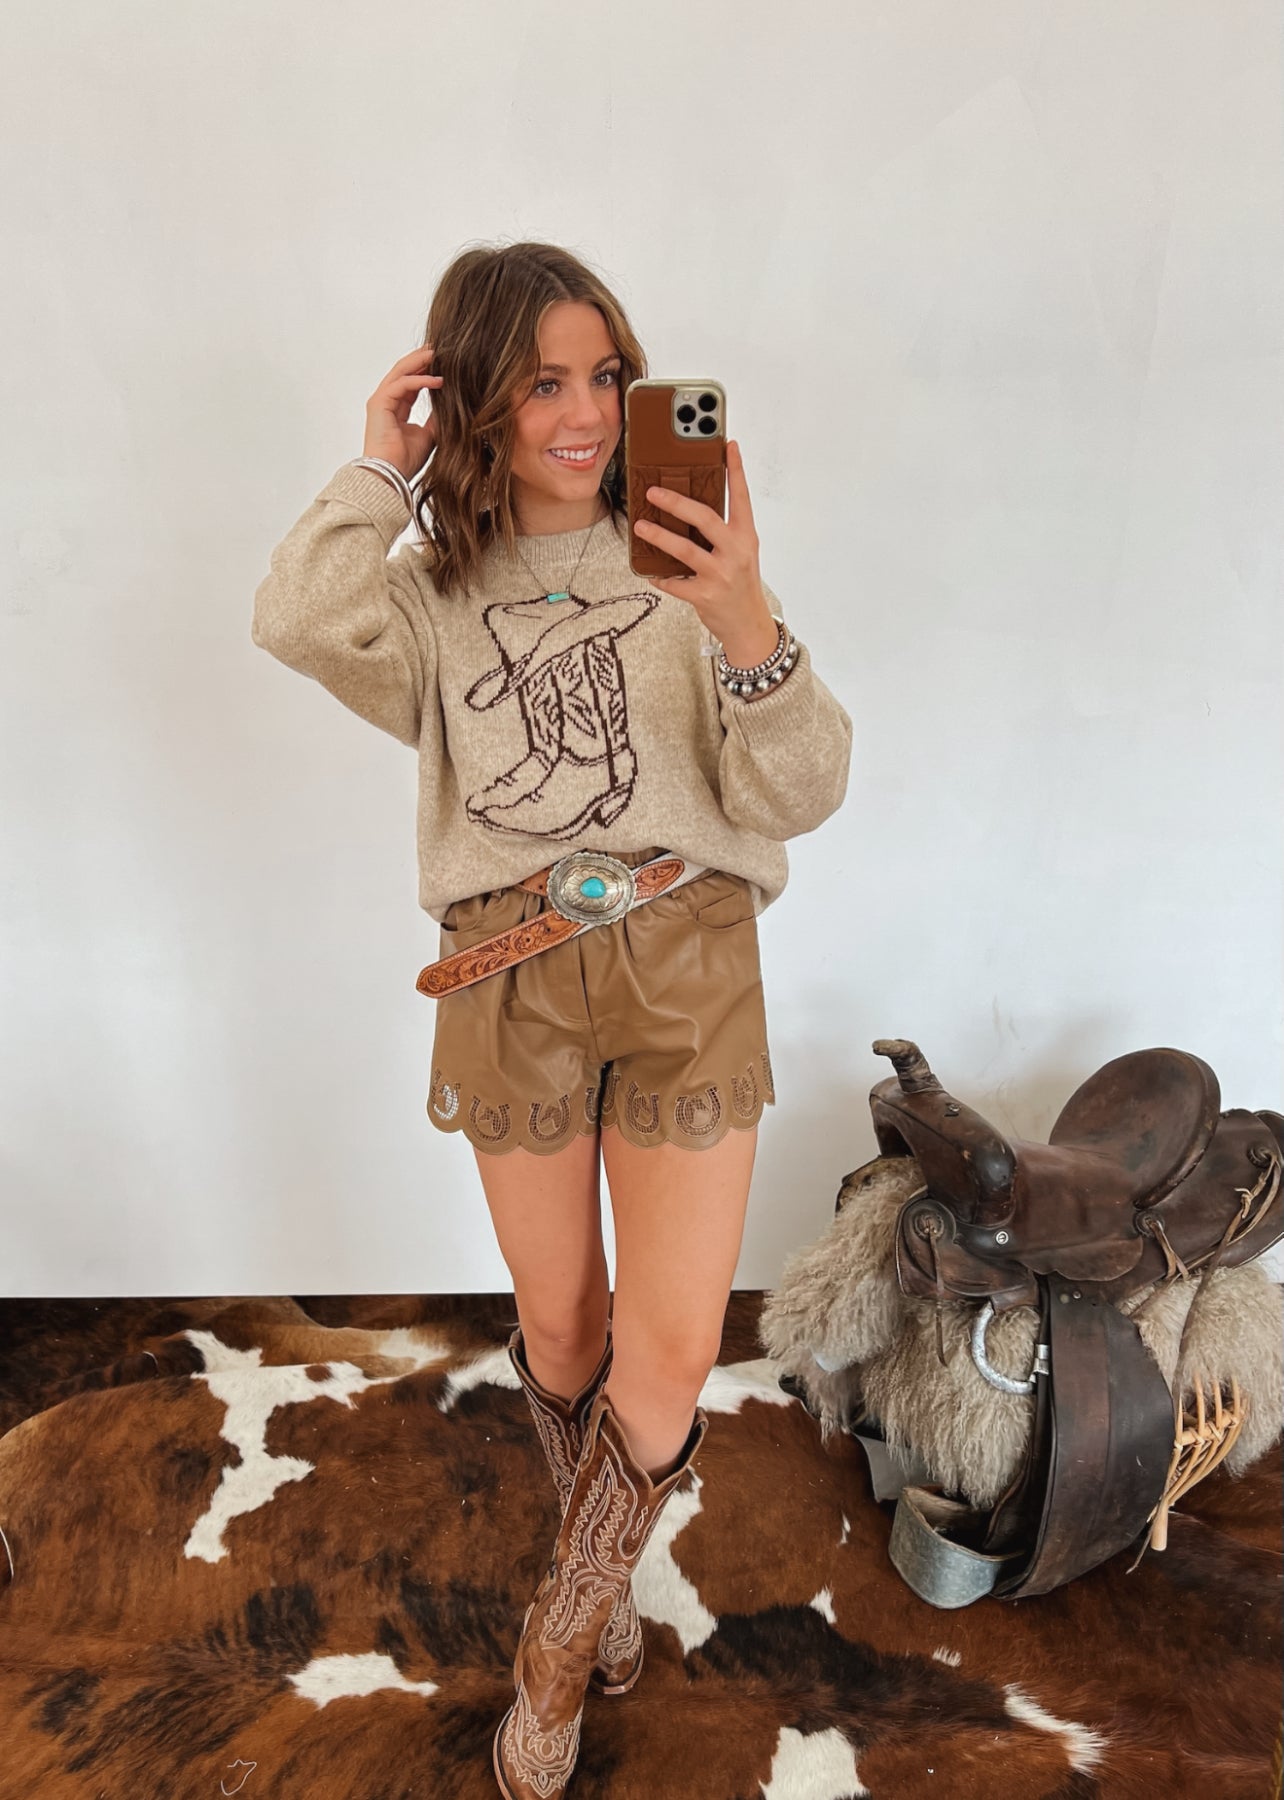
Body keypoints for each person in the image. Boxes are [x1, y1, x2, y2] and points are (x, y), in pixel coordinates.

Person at [251, 240, 852, 1799]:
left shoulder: (691, 561)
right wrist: (376, 474)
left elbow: (803, 789)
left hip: (688, 963)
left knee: (670, 1346)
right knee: (568, 1328)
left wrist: (744, 619)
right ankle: (606, 1560)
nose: (583, 415)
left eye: (605, 377)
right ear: (474, 401)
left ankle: (564, 1635)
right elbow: (296, 617)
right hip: (509, 973)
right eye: (539, 384)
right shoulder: (429, 598)